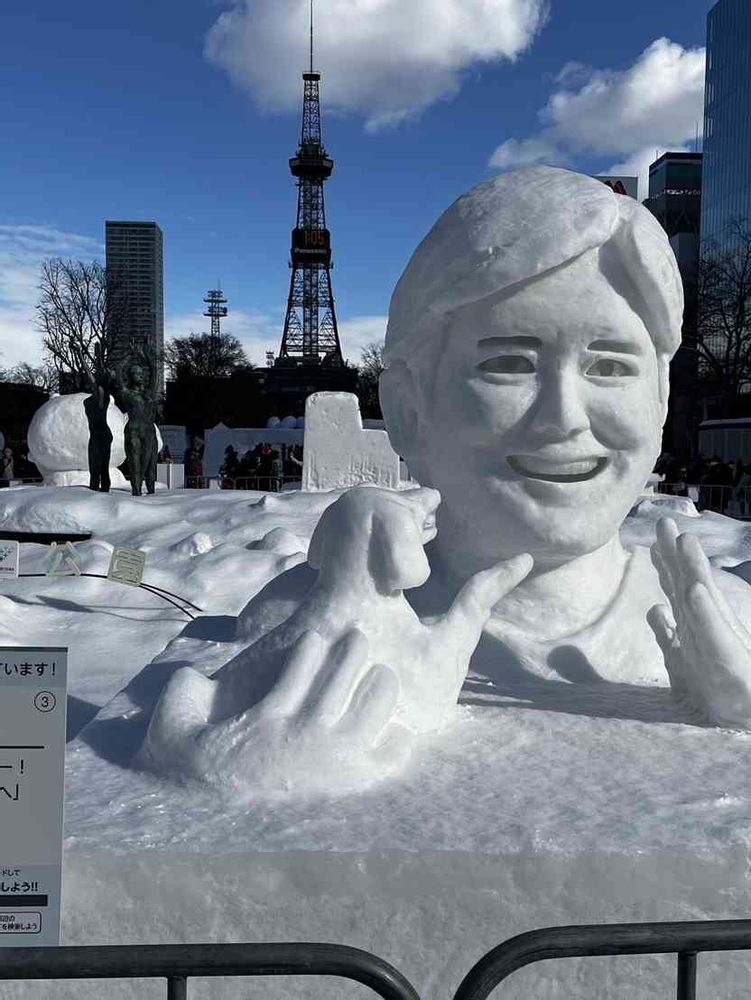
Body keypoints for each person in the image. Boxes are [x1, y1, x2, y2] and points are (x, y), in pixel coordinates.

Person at [143, 166, 751, 789]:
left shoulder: (738, 626)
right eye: (510, 364)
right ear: (409, 409)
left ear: (660, 398)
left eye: (611, 367)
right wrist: (256, 771)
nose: (564, 418)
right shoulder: (299, 623)